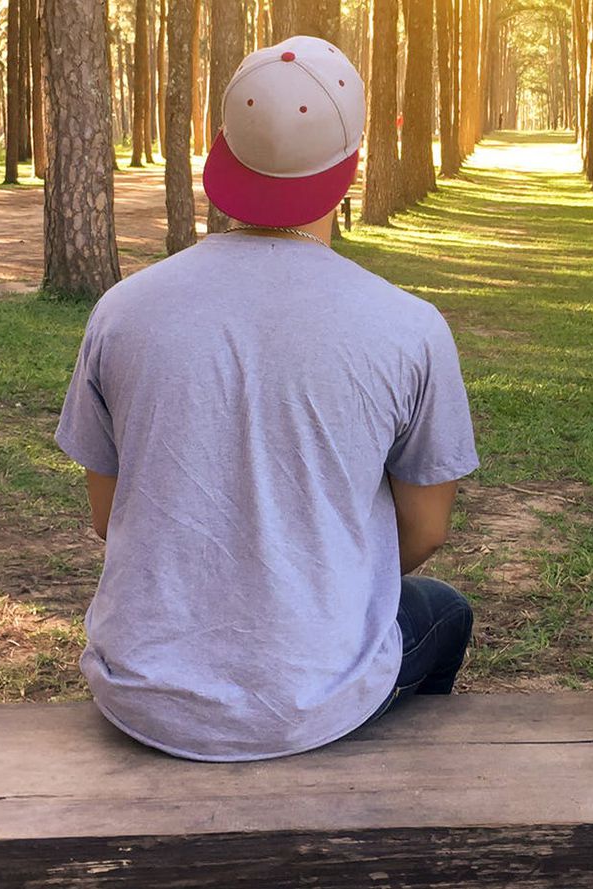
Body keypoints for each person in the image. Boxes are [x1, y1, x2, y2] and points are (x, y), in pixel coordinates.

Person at [55, 35, 480, 762]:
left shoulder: (122, 311)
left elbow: (107, 517)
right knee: (444, 612)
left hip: (139, 690)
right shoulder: (410, 328)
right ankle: (393, 783)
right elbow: (426, 530)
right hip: (310, 700)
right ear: (350, 168)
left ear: (223, 150)